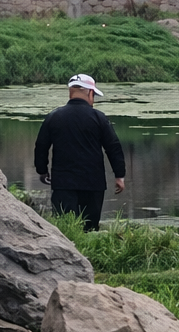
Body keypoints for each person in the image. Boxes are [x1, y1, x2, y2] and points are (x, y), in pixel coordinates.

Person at [33, 74, 126, 231]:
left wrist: (42, 171)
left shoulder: (54, 117)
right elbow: (113, 147)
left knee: (64, 230)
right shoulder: (99, 118)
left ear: (71, 92)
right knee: (89, 229)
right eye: (94, 95)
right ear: (90, 93)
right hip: (93, 184)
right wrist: (119, 175)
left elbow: (41, 146)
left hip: (63, 183)